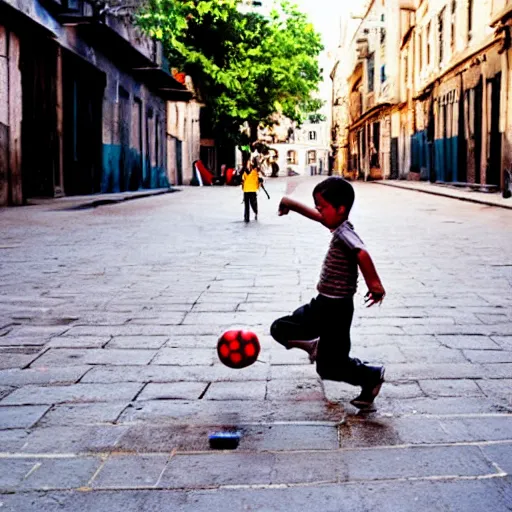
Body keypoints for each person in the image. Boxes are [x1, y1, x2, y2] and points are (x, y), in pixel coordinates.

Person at [270, 177, 386, 409]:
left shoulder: (345, 233)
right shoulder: (338, 224)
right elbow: (319, 218)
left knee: (285, 332)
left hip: (334, 309)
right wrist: (288, 203)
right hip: (328, 305)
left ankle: (365, 373)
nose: (318, 212)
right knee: (320, 359)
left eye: (321, 207)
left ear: (340, 209)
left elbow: (361, 253)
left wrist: (374, 284)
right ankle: (366, 375)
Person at [241, 158, 261, 222]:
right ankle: (249, 216)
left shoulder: (255, 172)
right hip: (249, 190)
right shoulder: (252, 172)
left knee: (249, 205)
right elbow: (242, 180)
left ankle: (248, 217)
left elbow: (242, 180)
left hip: (249, 190)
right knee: (251, 204)